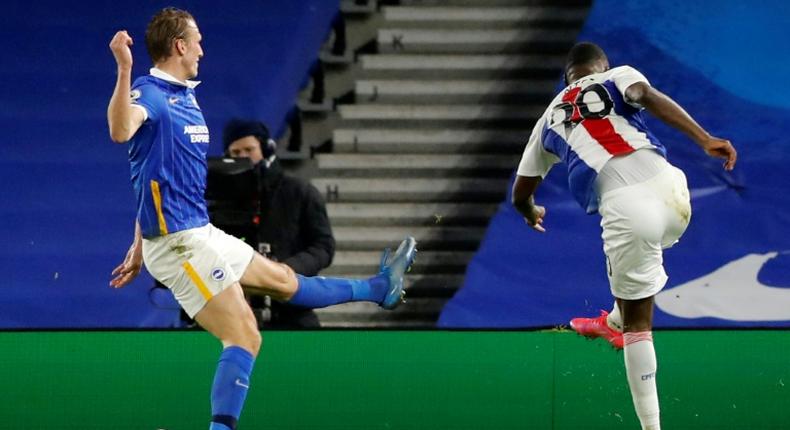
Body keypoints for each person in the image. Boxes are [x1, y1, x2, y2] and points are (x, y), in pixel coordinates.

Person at [106, 8, 416, 430]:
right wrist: (124, 70)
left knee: (286, 282)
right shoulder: (151, 93)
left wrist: (139, 242)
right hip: (179, 246)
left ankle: (380, 288)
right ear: (179, 45)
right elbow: (121, 131)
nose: (201, 47)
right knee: (246, 336)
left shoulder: (185, 95)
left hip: (200, 232)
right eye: (196, 39)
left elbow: (153, 174)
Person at [511, 42, 736, 430]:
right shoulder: (618, 75)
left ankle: (651, 425)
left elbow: (521, 192)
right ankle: (612, 321)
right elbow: (644, 95)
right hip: (674, 192)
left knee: (639, 323)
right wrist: (704, 139)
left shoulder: (549, 116)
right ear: (601, 66)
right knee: (640, 275)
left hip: (628, 209)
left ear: (568, 77)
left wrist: (531, 212)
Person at [223, 118, 334, 328]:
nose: (244, 157)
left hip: (291, 310)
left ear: (265, 149)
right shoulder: (219, 201)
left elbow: (324, 246)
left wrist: (286, 269)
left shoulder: (300, 193)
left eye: (249, 150)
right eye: (236, 153)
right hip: (233, 311)